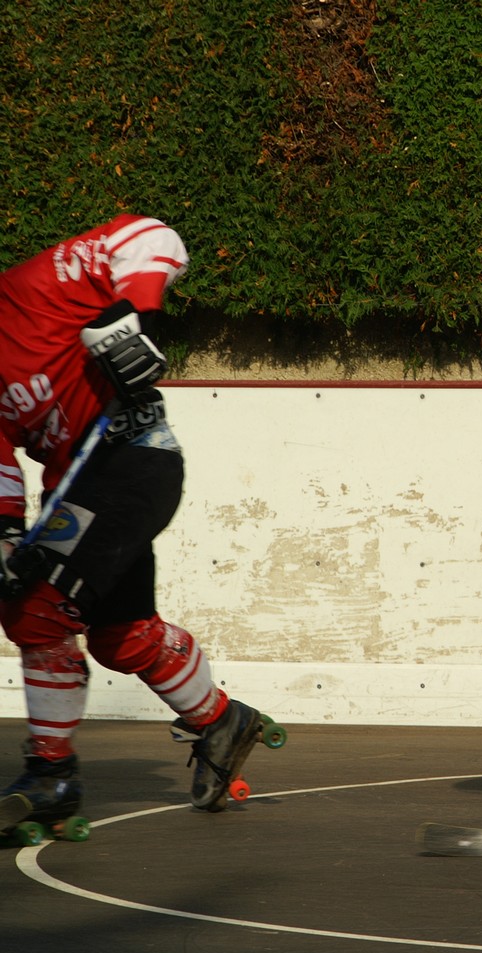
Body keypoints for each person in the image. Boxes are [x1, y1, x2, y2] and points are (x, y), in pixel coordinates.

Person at [0, 215, 277, 835]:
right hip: (78, 489)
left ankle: (52, 775)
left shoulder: (32, 287)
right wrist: (5, 532)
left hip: (132, 460)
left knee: (34, 610)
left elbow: (149, 236)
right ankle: (221, 721)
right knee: (120, 638)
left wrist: (133, 320)